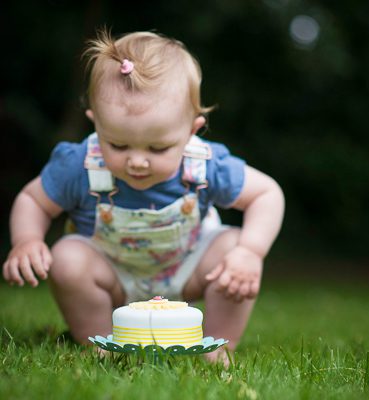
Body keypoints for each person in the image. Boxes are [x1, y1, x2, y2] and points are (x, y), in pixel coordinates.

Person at [2, 28, 284, 363]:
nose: (137, 160)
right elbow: (33, 200)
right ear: (96, 125)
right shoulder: (80, 164)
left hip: (187, 270)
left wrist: (251, 252)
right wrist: (27, 239)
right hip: (113, 277)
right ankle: (101, 342)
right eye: (118, 145)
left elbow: (266, 193)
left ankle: (218, 345)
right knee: (67, 258)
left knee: (234, 247)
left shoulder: (205, 165)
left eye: (158, 147)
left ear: (190, 131)